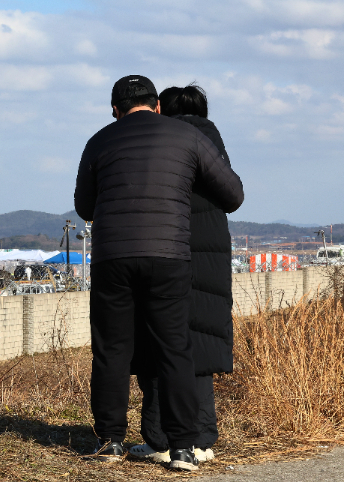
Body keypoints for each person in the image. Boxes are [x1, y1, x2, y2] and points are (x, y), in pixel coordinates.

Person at [74, 75, 244, 471]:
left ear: (115, 110)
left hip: (112, 257)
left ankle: (110, 441)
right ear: (158, 106)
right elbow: (233, 194)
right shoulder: (185, 136)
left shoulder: (99, 140)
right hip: (168, 256)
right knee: (174, 348)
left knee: (112, 349)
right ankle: (183, 448)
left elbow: (85, 206)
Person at [128, 84, 235, 464]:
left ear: (161, 112)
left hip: (163, 251)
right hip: (210, 258)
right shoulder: (213, 147)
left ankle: (159, 439)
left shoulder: (163, 144)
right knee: (199, 347)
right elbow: (233, 196)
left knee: (159, 345)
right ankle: (202, 439)